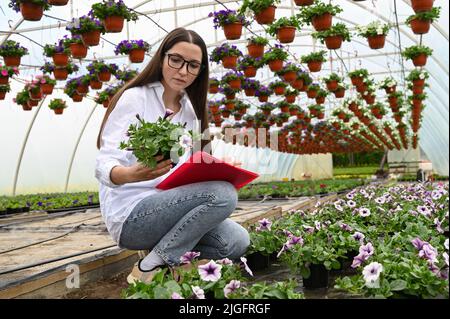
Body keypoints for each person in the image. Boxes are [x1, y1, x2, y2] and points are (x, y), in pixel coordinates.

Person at [95, 28, 250, 284]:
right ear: (162, 58)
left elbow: (189, 168)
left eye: (192, 65)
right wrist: (131, 174)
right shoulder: (136, 98)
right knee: (223, 194)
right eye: (176, 60)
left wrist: (217, 170)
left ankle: (164, 256)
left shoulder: (191, 111)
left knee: (236, 241)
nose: (183, 71)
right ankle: (149, 268)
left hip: (169, 208)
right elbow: (103, 164)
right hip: (132, 215)